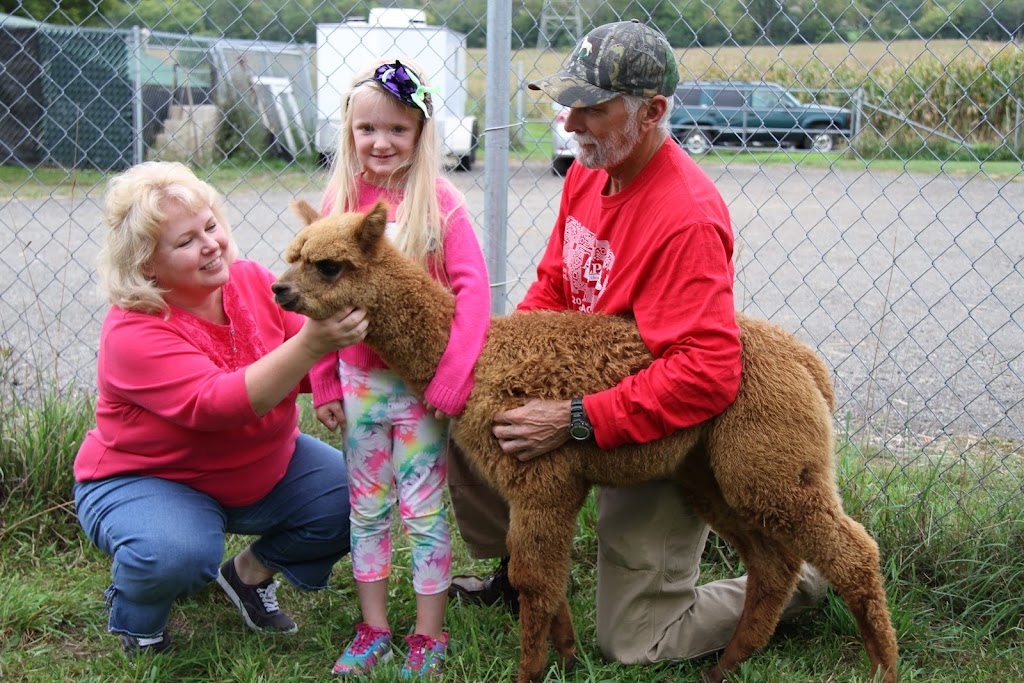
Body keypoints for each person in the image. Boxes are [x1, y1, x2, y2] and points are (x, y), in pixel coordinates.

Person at [446, 20, 826, 666]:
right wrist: (503, 373)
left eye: (592, 109)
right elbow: (554, 287)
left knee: (632, 639)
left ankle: (800, 576)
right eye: (569, 104)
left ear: (651, 112)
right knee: (464, 394)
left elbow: (707, 373)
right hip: (589, 391)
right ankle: (519, 571)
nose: (570, 124)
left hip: (653, 423)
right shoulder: (588, 174)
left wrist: (572, 420)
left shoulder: (688, 217)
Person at [73, 161, 369, 657]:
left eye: (210, 226)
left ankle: (248, 577)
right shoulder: (133, 331)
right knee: (177, 552)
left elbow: (301, 371)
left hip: (259, 466)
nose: (210, 243)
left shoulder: (252, 282)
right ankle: (139, 620)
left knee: (359, 497)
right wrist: (316, 344)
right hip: (151, 478)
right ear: (147, 262)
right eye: (185, 241)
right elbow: (217, 404)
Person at [308, 58, 490, 678]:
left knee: (422, 508)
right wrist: (324, 379)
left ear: (420, 134)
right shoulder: (340, 203)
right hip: (357, 384)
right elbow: (312, 297)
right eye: (367, 130)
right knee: (366, 506)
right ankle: (373, 627)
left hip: (419, 391)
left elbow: (475, 295)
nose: (380, 143)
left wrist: (451, 379)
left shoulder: (438, 203)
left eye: (397, 130)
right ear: (349, 132)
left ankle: (428, 634)